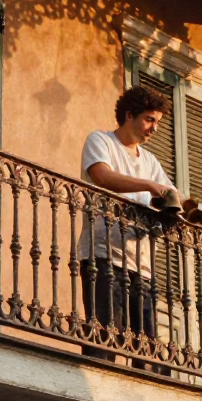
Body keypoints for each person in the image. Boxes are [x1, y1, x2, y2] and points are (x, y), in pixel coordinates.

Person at [78, 85, 177, 342]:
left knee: (146, 350)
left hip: (141, 266)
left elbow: (170, 193)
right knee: (103, 341)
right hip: (102, 256)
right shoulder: (100, 141)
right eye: (149, 120)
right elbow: (102, 175)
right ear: (129, 115)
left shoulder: (150, 161)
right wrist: (148, 185)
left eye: (157, 122)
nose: (154, 128)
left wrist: (198, 212)